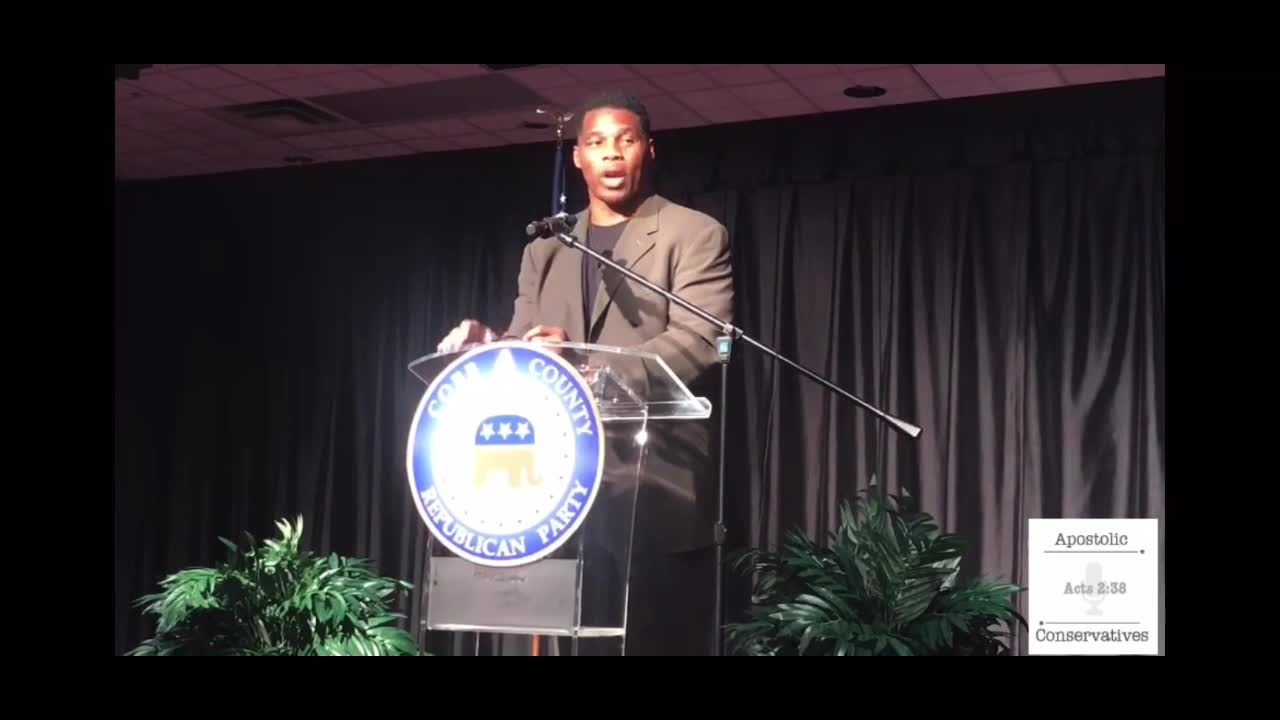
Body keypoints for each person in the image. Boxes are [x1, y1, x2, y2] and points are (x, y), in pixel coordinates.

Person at [436, 92, 735, 655]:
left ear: (649, 149)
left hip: (654, 481)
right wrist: (487, 344)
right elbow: (530, 345)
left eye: (625, 141)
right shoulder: (546, 246)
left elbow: (700, 341)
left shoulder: (693, 233)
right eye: (597, 144)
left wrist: (589, 369)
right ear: (579, 158)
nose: (612, 155)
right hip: (556, 489)